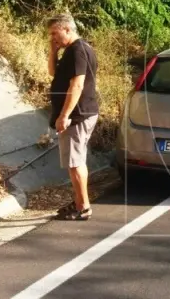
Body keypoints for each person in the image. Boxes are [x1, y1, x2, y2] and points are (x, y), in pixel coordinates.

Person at [47, 14, 100, 221]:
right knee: (76, 160)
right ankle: (80, 202)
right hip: (82, 113)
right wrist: (53, 52)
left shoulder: (78, 50)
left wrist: (64, 115)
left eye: (55, 33)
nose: (52, 37)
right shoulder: (73, 50)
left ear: (67, 29)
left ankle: (83, 207)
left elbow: (77, 84)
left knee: (74, 162)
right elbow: (53, 73)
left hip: (77, 115)